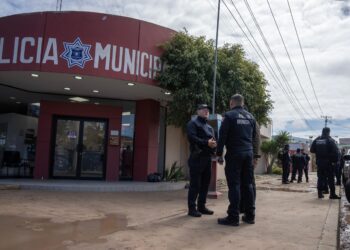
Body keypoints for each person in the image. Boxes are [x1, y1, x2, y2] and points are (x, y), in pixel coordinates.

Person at [216, 94, 258, 226]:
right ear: (243, 103)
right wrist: (254, 155)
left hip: (235, 154)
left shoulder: (229, 116)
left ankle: (233, 217)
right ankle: (250, 216)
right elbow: (254, 137)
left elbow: (222, 136)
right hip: (248, 153)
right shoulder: (251, 117)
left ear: (231, 102)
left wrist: (219, 154)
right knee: (248, 185)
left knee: (234, 185)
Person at [186, 104, 217, 217]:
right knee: (195, 184)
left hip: (207, 158)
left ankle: (202, 206)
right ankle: (192, 208)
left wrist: (214, 145)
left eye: (208, 110)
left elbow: (213, 140)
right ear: (198, 111)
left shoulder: (209, 127)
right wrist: (206, 143)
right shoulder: (192, 123)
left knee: (205, 184)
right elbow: (191, 138)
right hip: (196, 158)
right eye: (204, 109)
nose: (206, 111)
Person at [310, 127, 340, 199]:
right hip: (328, 163)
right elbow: (336, 152)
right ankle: (332, 194)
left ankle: (320, 194)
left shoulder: (317, 140)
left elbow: (311, 150)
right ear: (328, 132)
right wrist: (335, 161)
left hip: (320, 162)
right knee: (330, 179)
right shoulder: (330, 140)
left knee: (320, 178)